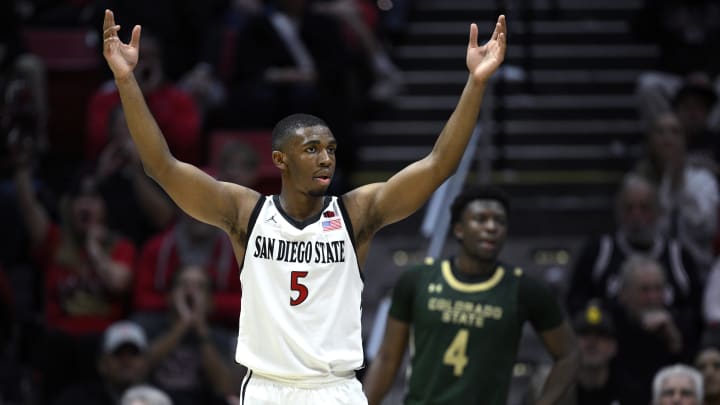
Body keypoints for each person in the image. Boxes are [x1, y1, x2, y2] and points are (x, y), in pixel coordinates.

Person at [101, 8, 507, 404]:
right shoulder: (246, 213)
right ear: (280, 160)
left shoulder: (356, 213)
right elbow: (161, 166)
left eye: (330, 149)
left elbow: (438, 166)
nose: (326, 158)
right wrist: (125, 80)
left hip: (335, 389)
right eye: (312, 150)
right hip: (267, 388)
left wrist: (475, 82)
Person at [362, 186, 579, 405]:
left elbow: (569, 354)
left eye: (499, 221)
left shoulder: (524, 289)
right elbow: (387, 358)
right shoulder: (418, 279)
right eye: (480, 219)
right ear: (459, 229)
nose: (491, 227)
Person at [565, 173, 703, 325]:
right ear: (618, 212)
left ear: (658, 211)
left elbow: (695, 313)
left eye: (644, 208)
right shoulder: (598, 253)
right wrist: (602, 315)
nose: (636, 215)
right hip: (612, 344)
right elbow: (577, 306)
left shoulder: (679, 257)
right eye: (629, 208)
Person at [132, 265, 240, 405]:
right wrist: (182, 325)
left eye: (200, 287)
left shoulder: (223, 338)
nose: (190, 292)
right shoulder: (147, 327)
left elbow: (225, 388)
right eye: (183, 284)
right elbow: (136, 373)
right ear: (169, 296)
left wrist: (201, 329)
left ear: (211, 302)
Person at [610, 255, 692, 404]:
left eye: (658, 289)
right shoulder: (610, 324)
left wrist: (675, 342)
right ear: (624, 294)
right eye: (644, 290)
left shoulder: (680, 322)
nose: (652, 297)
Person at [53, 320, 151, 405]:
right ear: (102, 364)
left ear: (146, 362)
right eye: (118, 353)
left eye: (134, 353)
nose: (126, 360)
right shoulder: (75, 400)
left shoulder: (160, 399)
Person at [573, 301, 623, 405]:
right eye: (584, 333)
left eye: (601, 335)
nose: (592, 342)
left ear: (614, 346)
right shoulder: (557, 392)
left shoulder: (630, 394)